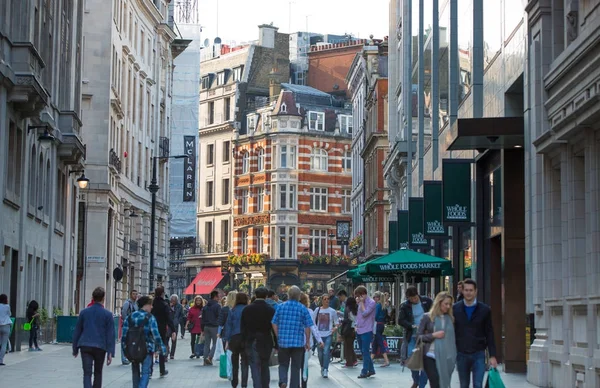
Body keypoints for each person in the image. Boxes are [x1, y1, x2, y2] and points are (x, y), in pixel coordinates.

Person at [453, 279, 497, 388]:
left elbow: (489, 332)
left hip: (478, 353)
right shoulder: (455, 309)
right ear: (462, 291)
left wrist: (492, 355)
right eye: (466, 290)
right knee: (464, 385)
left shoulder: (485, 310)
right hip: (461, 353)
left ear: (476, 291)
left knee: (478, 384)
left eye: (471, 290)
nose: (468, 292)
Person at [72, 287, 115, 388]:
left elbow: (77, 331)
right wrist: (110, 352)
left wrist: (75, 349)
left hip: (85, 345)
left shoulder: (84, 312)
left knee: (87, 373)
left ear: (93, 297)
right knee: (98, 372)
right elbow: (110, 334)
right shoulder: (108, 314)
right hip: (100, 346)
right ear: (103, 298)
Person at [272, 285, 314, 388]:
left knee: (283, 364)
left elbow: (274, 323)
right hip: (298, 343)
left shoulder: (280, 306)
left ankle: (283, 381)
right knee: (296, 367)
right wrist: (307, 341)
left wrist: (278, 335)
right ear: (299, 296)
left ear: (288, 295)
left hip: (283, 342)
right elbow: (308, 326)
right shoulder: (302, 308)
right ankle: (294, 386)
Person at [121, 296, 167, 388]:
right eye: (151, 305)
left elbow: (124, 335)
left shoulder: (130, 317)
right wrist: (162, 348)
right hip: (147, 348)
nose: (152, 307)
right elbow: (156, 334)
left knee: (135, 372)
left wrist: (124, 349)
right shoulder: (150, 317)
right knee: (146, 372)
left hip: (132, 349)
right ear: (146, 305)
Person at [418, 292, 457, 388]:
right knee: (435, 381)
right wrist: (433, 335)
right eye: (446, 304)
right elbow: (419, 337)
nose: (448, 306)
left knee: (443, 382)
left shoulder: (451, 319)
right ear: (439, 303)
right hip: (430, 355)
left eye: (450, 304)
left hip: (446, 356)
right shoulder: (427, 317)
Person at [399, 286, 433, 388]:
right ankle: (416, 380)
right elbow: (400, 320)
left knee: (426, 361)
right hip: (412, 336)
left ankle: (422, 384)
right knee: (411, 358)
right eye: (411, 298)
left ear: (417, 295)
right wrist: (411, 325)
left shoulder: (427, 301)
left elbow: (434, 314)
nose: (413, 300)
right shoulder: (405, 306)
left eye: (415, 298)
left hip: (425, 335)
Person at [242, 287, 276, 388]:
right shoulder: (270, 309)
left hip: (251, 339)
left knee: (254, 366)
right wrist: (276, 343)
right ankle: (265, 385)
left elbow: (243, 327)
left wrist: (243, 342)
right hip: (266, 340)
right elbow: (274, 328)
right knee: (265, 364)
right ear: (266, 296)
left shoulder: (247, 309)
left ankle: (257, 385)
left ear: (255, 295)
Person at [225, 292, 250, 388]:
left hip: (235, 337)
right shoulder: (248, 310)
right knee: (245, 361)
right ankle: (244, 384)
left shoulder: (233, 310)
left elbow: (229, 326)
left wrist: (227, 340)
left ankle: (234, 383)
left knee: (234, 361)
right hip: (245, 337)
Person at [299, 292, 324, 388]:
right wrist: (319, 340)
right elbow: (313, 327)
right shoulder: (309, 311)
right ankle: (304, 383)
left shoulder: (293, 310)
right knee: (304, 364)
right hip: (306, 342)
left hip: (296, 342)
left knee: (297, 365)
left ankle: (296, 383)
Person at [151, 286, 176, 377]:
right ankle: (162, 369)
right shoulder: (164, 304)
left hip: (151, 328)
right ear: (162, 293)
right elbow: (169, 318)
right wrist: (173, 330)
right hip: (161, 329)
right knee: (161, 348)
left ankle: (149, 370)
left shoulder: (152, 304)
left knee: (151, 348)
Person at [354, 286, 376, 379]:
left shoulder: (372, 303)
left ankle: (364, 371)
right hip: (359, 329)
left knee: (365, 351)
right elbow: (359, 315)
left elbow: (365, 313)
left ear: (363, 294)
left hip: (367, 330)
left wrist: (362, 303)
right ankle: (371, 370)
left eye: (358, 296)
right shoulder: (359, 302)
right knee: (364, 352)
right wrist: (356, 325)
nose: (357, 298)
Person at [313, 293, 338, 378]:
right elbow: (313, 322)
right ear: (322, 301)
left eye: (328, 299)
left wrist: (334, 328)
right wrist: (314, 332)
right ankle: (322, 367)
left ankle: (326, 369)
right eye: (325, 299)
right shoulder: (317, 310)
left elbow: (337, 323)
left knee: (326, 352)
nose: (327, 300)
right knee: (320, 354)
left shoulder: (332, 311)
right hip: (319, 335)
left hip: (328, 335)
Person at [202, 290, 222, 366]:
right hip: (214, 326)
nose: (219, 298)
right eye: (218, 296)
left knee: (206, 344)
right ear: (215, 297)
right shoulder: (217, 306)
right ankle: (209, 357)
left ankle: (205, 360)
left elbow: (203, 318)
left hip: (206, 326)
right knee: (215, 343)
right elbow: (219, 316)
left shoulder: (205, 306)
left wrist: (202, 328)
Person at [371, 292, 390, 367]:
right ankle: (370, 359)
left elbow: (375, 316)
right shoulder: (383, 306)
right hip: (381, 324)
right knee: (375, 342)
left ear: (378, 298)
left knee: (380, 342)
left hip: (377, 324)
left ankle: (386, 360)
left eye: (374, 297)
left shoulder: (378, 306)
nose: (374, 299)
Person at [120, 290, 138, 365]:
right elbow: (123, 313)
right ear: (130, 295)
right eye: (133, 294)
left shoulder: (136, 304)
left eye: (136, 294)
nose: (135, 295)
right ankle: (124, 358)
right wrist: (126, 321)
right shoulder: (127, 303)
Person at [341, 296, 358, 368]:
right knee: (350, 346)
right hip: (354, 329)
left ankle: (349, 362)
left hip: (348, 329)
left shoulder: (347, 309)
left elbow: (345, 320)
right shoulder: (356, 310)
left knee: (347, 346)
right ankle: (354, 360)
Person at [168, 294, 183, 360]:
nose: (173, 302)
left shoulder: (179, 306)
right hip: (168, 324)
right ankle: (167, 350)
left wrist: (178, 321)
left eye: (174, 300)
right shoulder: (168, 306)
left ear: (177, 300)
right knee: (166, 338)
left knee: (174, 340)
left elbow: (181, 315)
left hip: (175, 324)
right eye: (172, 300)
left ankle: (172, 354)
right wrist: (170, 307)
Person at [0, 294, 11, 366]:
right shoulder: (7, 306)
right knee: (4, 344)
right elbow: (9, 314)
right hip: (6, 325)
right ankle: (0, 360)